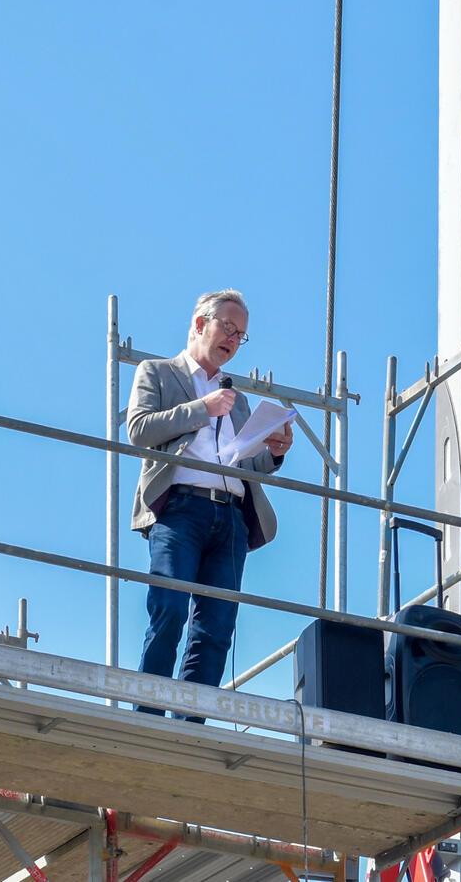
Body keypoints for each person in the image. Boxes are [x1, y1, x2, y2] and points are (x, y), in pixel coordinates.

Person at [128, 289, 293, 719]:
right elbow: (139, 429)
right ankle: (148, 715)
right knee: (168, 610)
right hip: (181, 509)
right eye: (229, 328)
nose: (234, 340)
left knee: (216, 628)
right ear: (201, 323)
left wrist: (274, 450)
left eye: (242, 335)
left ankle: (191, 723)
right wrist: (201, 408)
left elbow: (243, 459)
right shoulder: (159, 372)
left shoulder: (232, 396)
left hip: (231, 517)